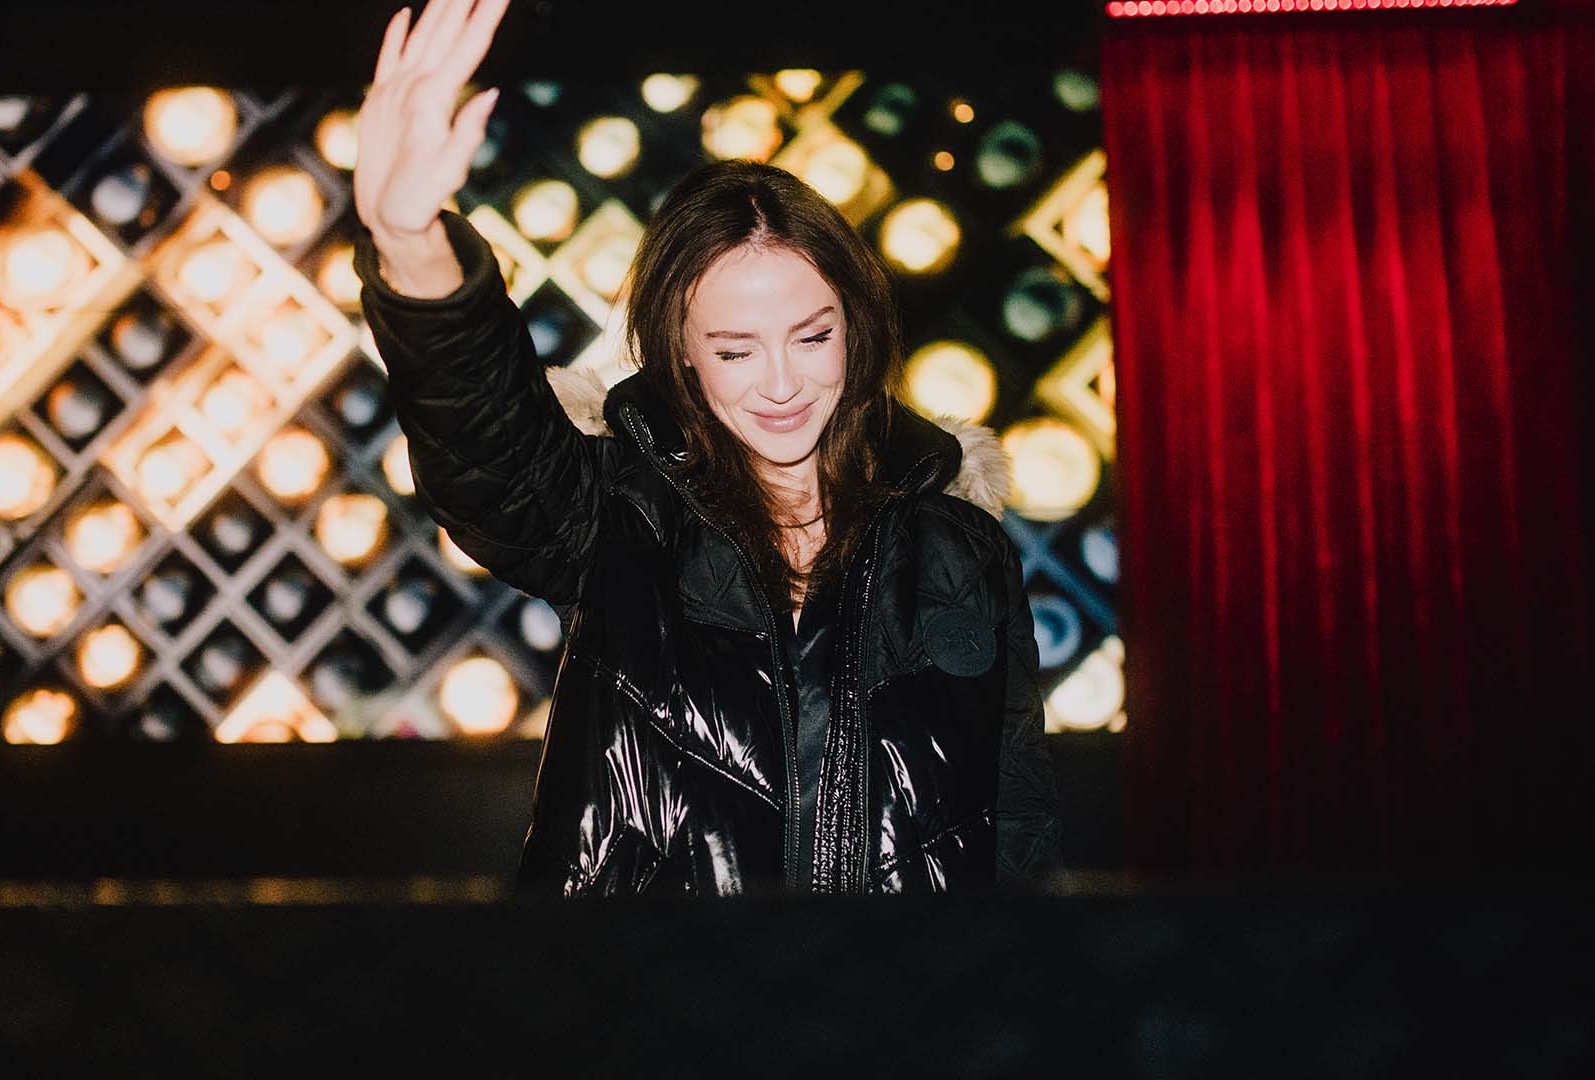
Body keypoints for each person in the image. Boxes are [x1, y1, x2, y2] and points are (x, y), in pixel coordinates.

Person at [352, 0, 1063, 895]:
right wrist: (411, 244)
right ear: (682, 353)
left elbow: (1019, 829)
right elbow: (488, 446)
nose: (781, 384)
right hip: (645, 985)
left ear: (856, 324)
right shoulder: (620, 514)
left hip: (897, 987)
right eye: (735, 351)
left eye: (812, 337)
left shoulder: (962, 550)